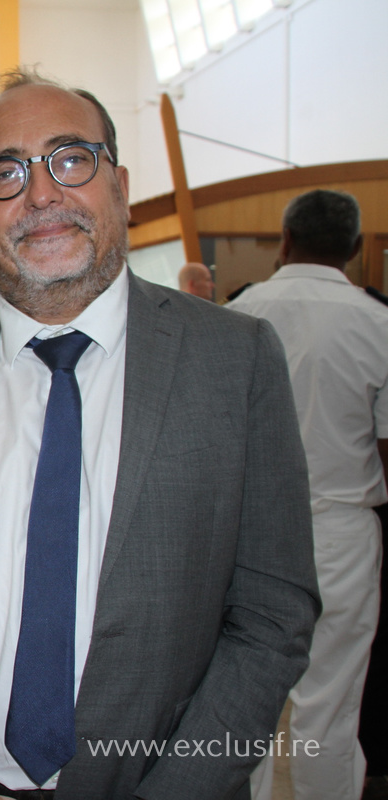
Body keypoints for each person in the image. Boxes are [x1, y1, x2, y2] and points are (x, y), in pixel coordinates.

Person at [0, 69, 319, 800]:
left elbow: (271, 617)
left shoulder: (236, 360)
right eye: (6, 173)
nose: (40, 194)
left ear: (118, 184)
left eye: (71, 159)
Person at [227, 189, 388, 800]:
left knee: (244, 689)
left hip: (247, 528)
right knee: (334, 693)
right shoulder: (378, 323)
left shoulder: (240, 311)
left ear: (283, 241)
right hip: (342, 525)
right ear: (353, 250)